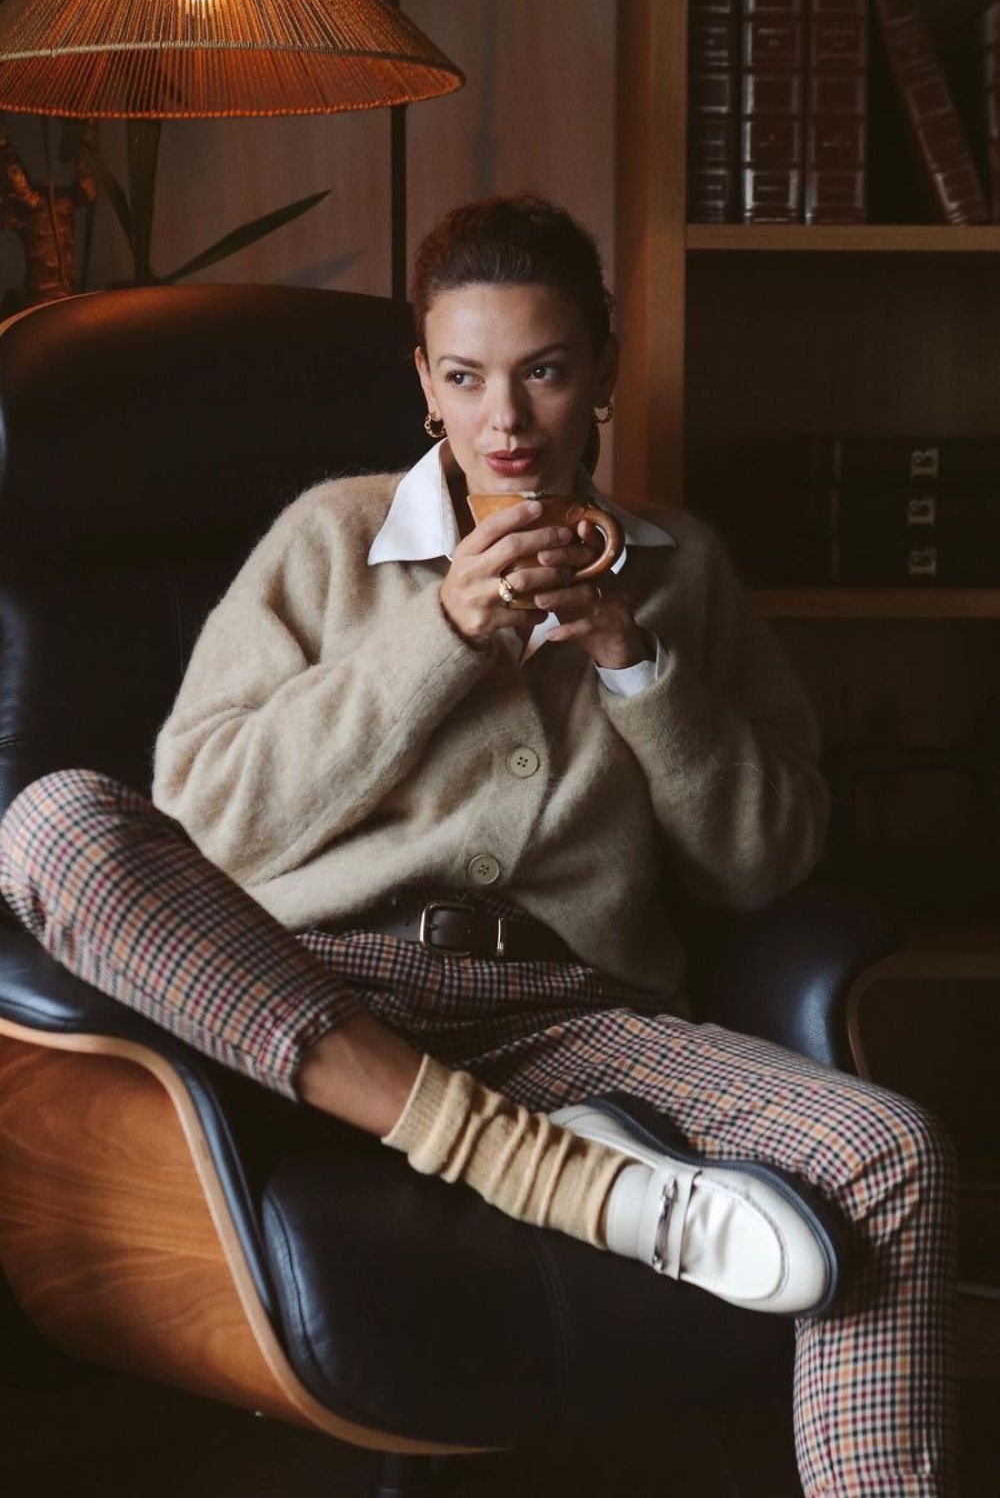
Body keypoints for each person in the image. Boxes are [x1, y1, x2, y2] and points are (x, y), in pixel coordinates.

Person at [0, 194, 955, 1496]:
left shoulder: (684, 568)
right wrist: (436, 633)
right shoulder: (333, 538)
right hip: (313, 997)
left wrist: (637, 663)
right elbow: (204, 816)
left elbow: (764, 864)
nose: (505, 422)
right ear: (426, 387)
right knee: (51, 818)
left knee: (887, 1153)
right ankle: (519, 1161)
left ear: (603, 372)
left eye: (546, 372)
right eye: (466, 378)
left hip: (573, 1018)